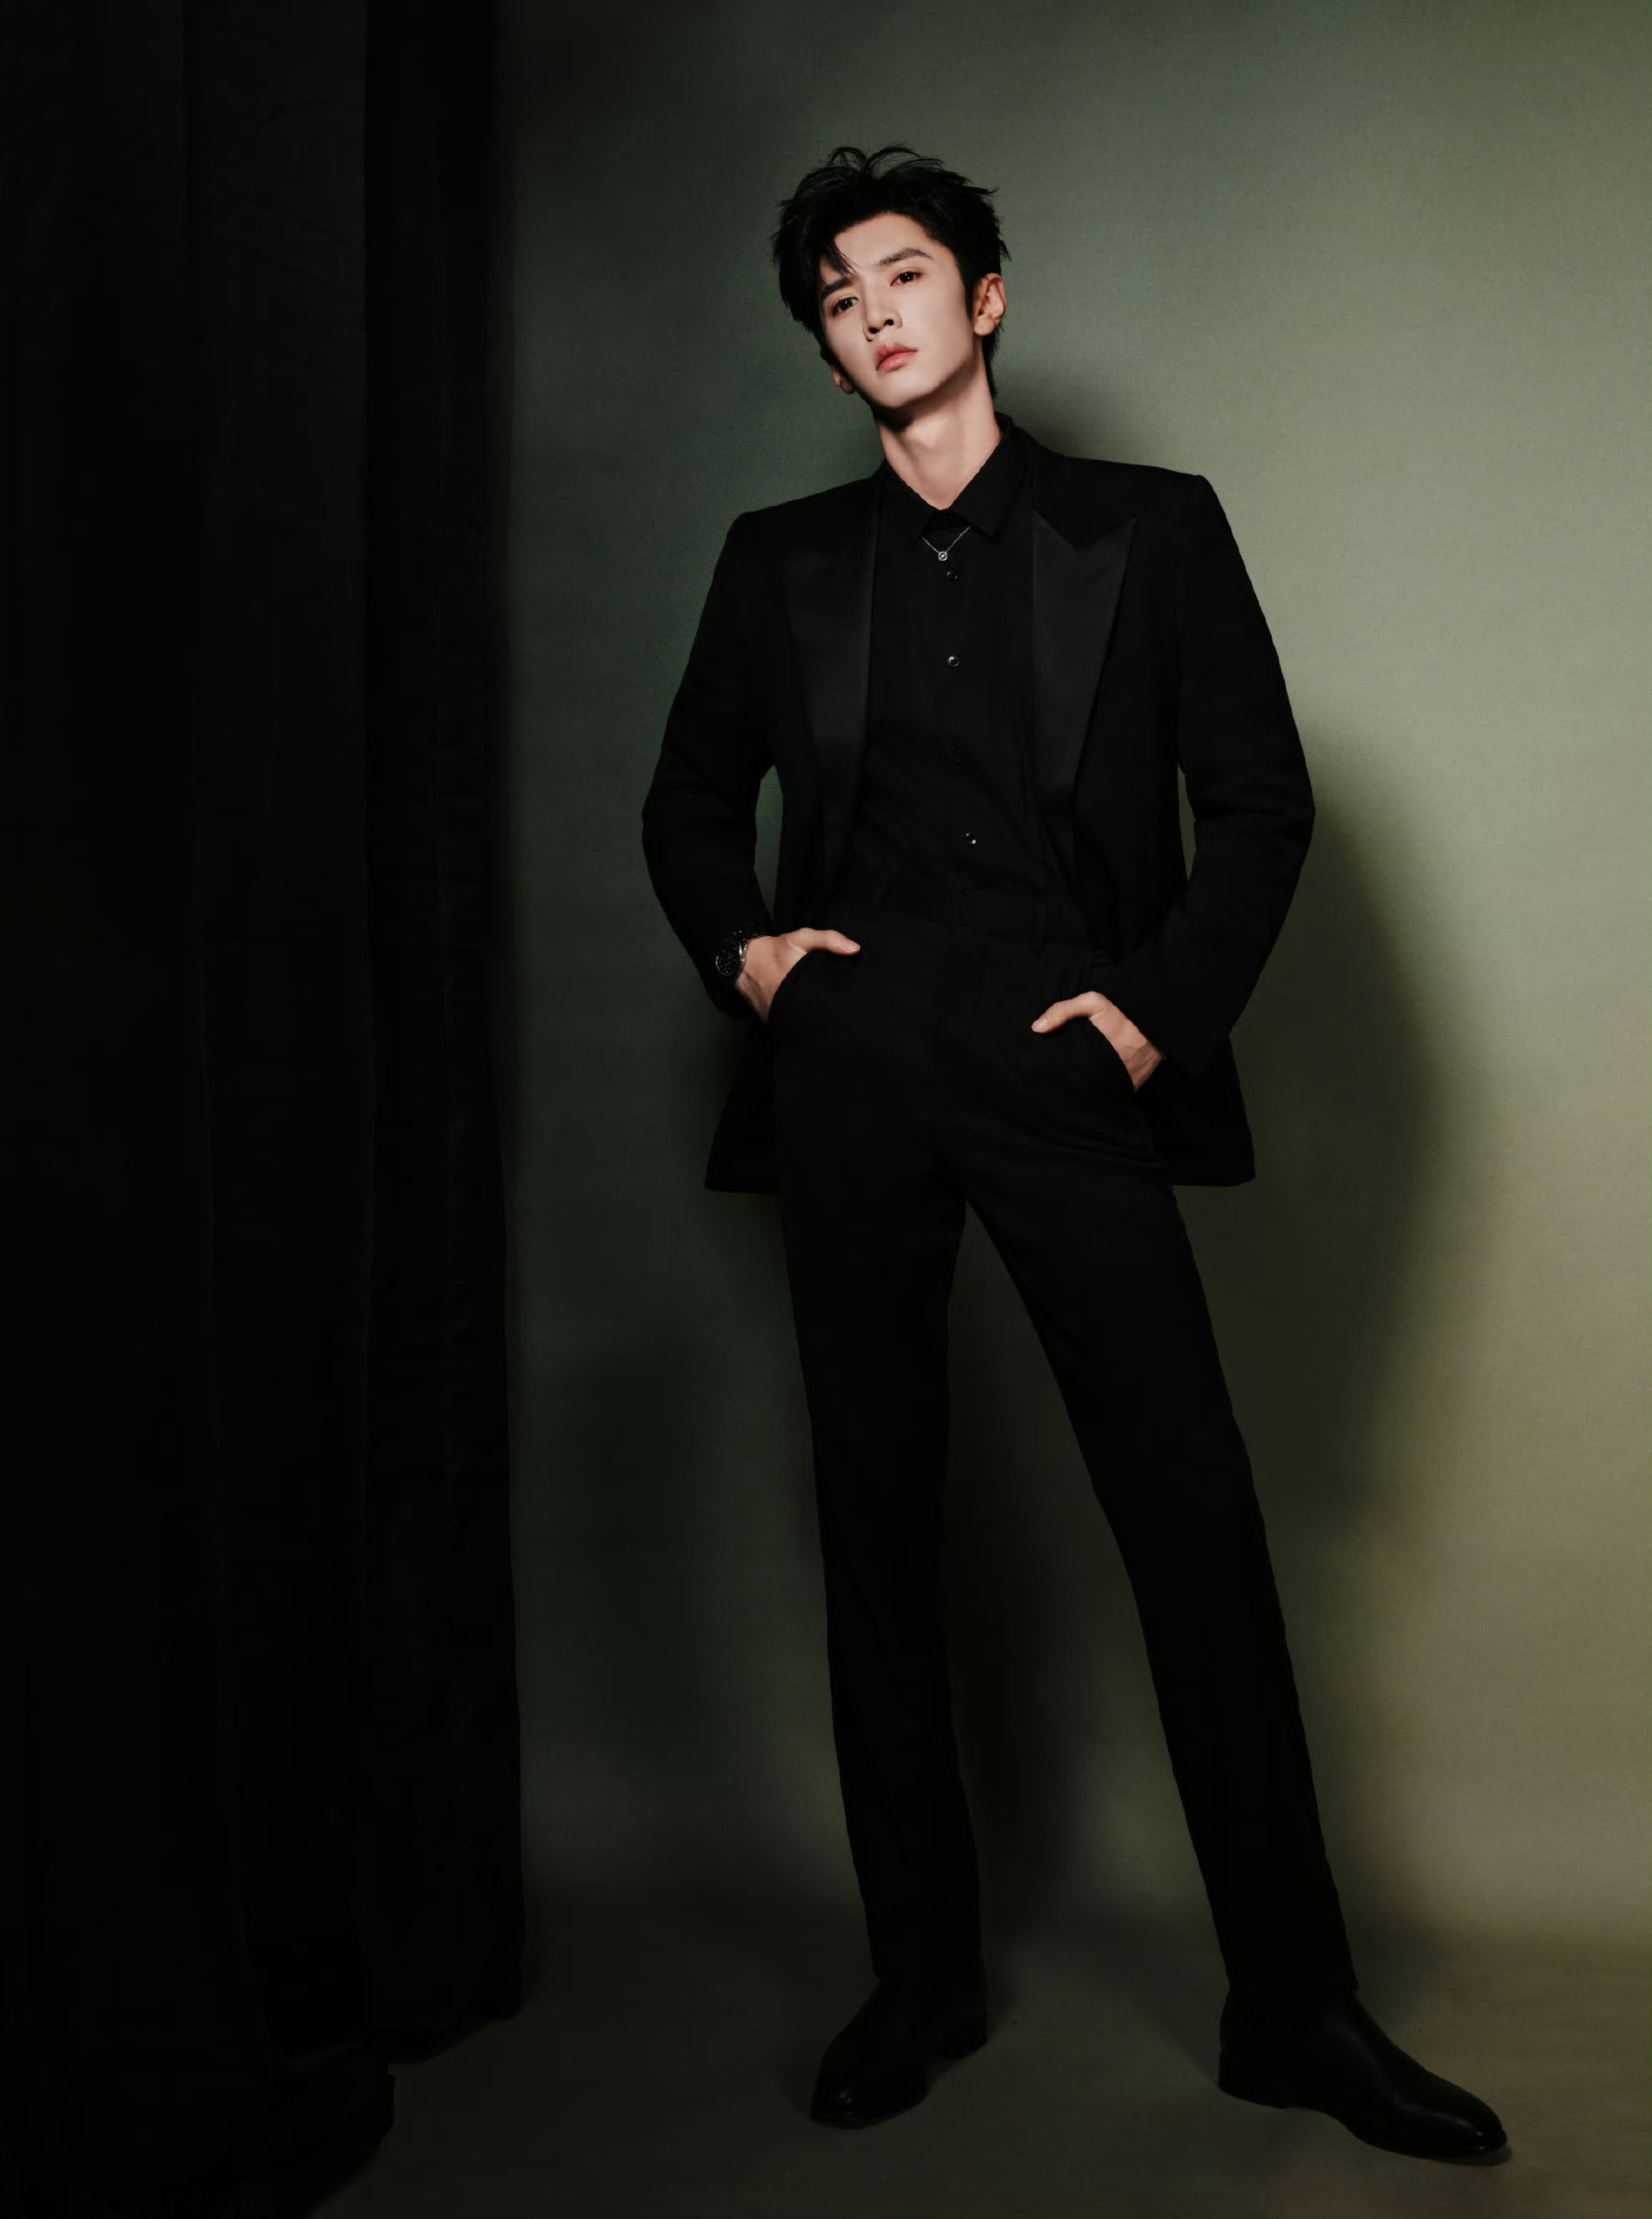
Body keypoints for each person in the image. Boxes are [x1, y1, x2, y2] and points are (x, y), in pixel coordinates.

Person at [641, 142, 1506, 2165]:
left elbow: (1262, 803)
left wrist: (1149, 1009)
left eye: (903, 274)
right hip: (856, 1062)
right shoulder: (778, 560)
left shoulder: (1152, 528)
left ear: (985, 297)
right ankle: (921, 1971)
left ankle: (1293, 2005)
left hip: (1063, 1058)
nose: (872, 312)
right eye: (838, 297)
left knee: (1190, 1519)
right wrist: (752, 956)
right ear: (827, 352)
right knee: (878, 1525)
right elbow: (687, 800)